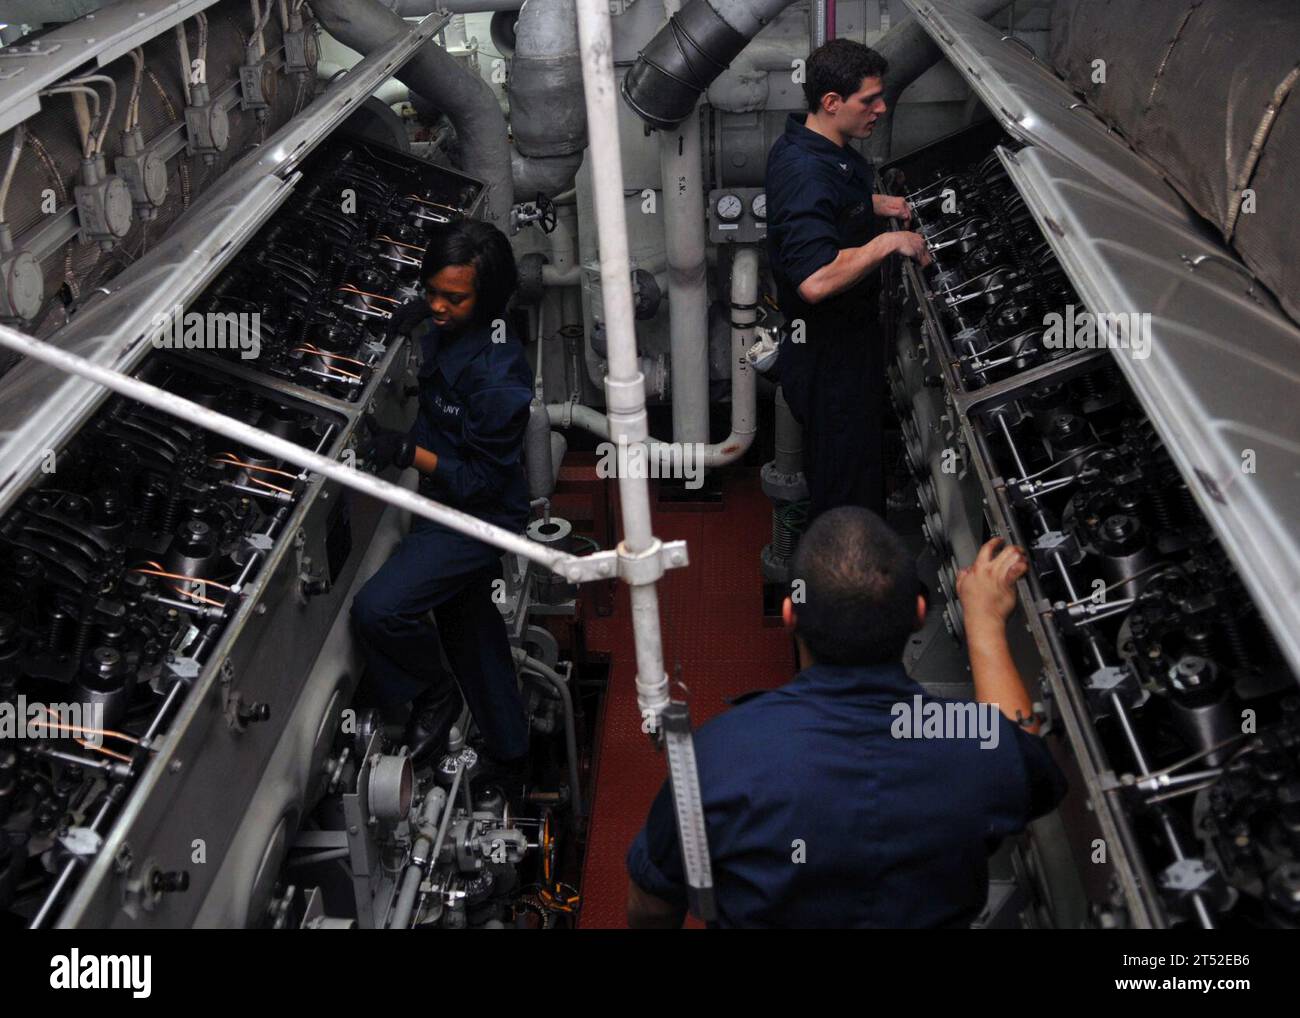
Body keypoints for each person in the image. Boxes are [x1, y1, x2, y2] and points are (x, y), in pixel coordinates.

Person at [625, 508, 1067, 928]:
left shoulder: (715, 757)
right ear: (917, 615)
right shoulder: (977, 746)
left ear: (789, 616)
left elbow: (651, 904)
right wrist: (985, 621)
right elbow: (1022, 751)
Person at [351, 219, 532, 771]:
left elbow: (481, 480)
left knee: (379, 610)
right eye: (430, 292)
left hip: (478, 515)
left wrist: (409, 452)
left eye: (453, 299)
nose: (437, 305)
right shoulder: (449, 327)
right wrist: (421, 323)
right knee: (470, 633)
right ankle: (514, 755)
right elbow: (436, 323)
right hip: (441, 498)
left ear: (489, 299)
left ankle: (433, 691)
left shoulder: (499, 375)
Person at [765, 39, 931, 520]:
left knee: (857, 472)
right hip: (830, 361)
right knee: (845, 496)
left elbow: (836, 202)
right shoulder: (806, 172)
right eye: (869, 100)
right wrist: (886, 243)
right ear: (832, 102)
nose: (881, 109)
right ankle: (846, 587)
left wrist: (879, 206)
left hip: (848, 345)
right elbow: (815, 279)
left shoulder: (816, 144)